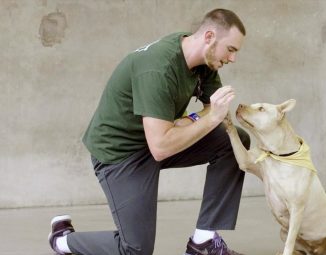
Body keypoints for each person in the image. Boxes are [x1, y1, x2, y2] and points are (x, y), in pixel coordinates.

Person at [48, 8, 250, 255]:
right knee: (135, 249)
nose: (233, 59)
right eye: (231, 49)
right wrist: (205, 121)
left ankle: (203, 241)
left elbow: (213, 109)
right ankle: (62, 240)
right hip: (120, 155)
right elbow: (162, 147)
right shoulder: (158, 69)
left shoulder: (203, 60)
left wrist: (189, 121)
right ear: (209, 36)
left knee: (234, 140)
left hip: (156, 140)